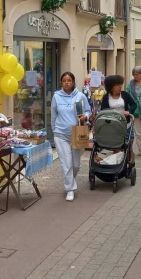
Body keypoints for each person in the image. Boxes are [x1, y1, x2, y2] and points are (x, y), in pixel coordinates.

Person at [51, 72, 91, 202]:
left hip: (77, 133)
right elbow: (53, 116)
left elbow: (88, 111)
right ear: (61, 82)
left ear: (73, 82)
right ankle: (70, 189)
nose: (66, 82)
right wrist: (55, 130)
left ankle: (70, 181)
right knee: (66, 164)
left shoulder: (80, 96)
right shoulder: (56, 97)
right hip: (61, 134)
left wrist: (86, 116)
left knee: (75, 164)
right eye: (64, 80)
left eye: (69, 80)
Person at [101, 75, 137, 163]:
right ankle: (114, 161)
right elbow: (103, 111)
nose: (120, 87)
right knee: (114, 145)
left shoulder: (125, 94)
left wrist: (128, 111)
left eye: (120, 84)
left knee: (128, 144)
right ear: (111, 87)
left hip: (126, 124)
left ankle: (129, 160)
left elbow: (134, 104)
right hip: (112, 125)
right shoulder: (106, 98)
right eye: (117, 85)